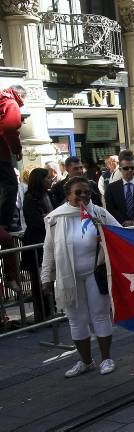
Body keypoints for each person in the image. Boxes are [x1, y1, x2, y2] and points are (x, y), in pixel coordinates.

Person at [41, 176, 121, 377]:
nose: (83, 196)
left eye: (87, 192)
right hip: (69, 276)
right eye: (78, 192)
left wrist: (104, 237)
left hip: (95, 273)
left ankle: (106, 359)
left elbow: (120, 235)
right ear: (68, 195)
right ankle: (86, 361)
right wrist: (46, 277)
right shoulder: (55, 218)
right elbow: (48, 249)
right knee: (76, 319)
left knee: (100, 315)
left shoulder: (99, 213)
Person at [21, 168, 55, 321]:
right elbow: (35, 222)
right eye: (48, 178)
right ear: (39, 180)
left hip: (48, 242)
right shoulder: (30, 198)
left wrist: (48, 217)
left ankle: (51, 310)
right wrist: (49, 218)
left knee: (49, 278)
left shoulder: (47, 195)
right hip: (36, 245)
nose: (51, 180)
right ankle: (42, 313)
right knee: (38, 280)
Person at [104, 153, 134, 227]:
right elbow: (111, 208)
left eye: (132, 168)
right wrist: (124, 221)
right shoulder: (111, 188)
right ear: (120, 169)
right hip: (121, 227)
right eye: (126, 168)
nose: (130, 170)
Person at [0, 85, 25, 231]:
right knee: (11, 186)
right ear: (20, 95)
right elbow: (10, 127)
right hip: (1, 154)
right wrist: (16, 149)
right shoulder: (11, 103)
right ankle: (4, 223)